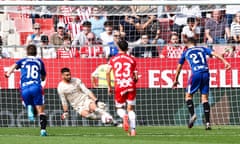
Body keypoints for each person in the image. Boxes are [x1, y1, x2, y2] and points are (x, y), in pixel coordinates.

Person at [172, 38, 231, 130]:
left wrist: (175, 79)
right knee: (204, 98)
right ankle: (207, 124)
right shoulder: (202, 49)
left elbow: (179, 67)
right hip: (206, 73)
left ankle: (193, 114)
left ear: (187, 44)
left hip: (196, 73)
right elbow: (215, 54)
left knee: (188, 96)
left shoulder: (186, 52)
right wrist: (225, 61)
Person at [4, 44, 48, 136]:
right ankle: (43, 130)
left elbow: (14, 66)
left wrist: (8, 73)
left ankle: (28, 106)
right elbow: (43, 77)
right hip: (36, 86)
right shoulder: (39, 61)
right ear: (36, 52)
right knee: (41, 109)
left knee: (28, 102)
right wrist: (42, 77)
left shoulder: (23, 60)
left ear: (27, 52)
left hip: (24, 87)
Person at [106, 40, 139, 136]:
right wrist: (134, 81)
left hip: (119, 85)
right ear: (127, 48)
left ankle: (124, 116)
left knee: (119, 108)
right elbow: (136, 76)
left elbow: (108, 72)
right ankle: (133, 130)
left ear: (118, 48)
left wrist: (109, 86)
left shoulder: (113, 59)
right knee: (131, 109)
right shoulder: (132, 59)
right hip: (130, 84)